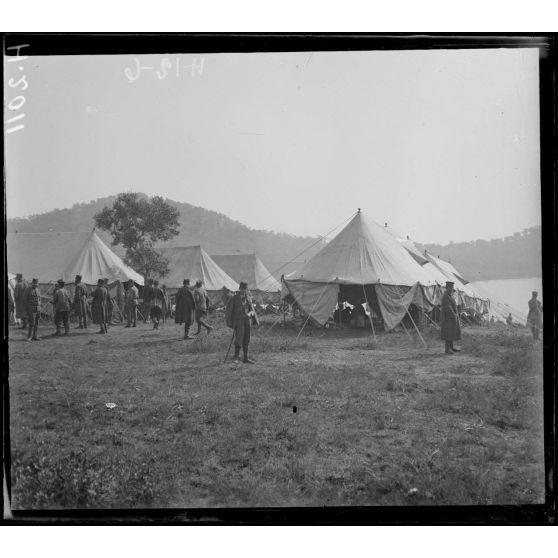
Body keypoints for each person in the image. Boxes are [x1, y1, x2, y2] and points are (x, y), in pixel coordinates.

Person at [229, 281, 256, 363]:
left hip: (247, 322)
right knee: (238, 339)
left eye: (245, 289)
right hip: (238, 322)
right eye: (242, 288)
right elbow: (229, 311)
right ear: (239, 288)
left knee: (247, 340)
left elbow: (252, 311)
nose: (243, 290)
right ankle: (236, 358)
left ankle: (246, 358)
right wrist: (231, 323)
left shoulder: (248, 298)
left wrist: (249, 314)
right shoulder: (234, 298)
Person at [440, 281, 461, 354]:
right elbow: (448, 308)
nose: (452, 289)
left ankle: (451, 347)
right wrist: (454, 315)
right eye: (451, 287)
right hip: (448, 318)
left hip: (451, 318)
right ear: (447, 288)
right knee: (448, 333)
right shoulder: (446, 297)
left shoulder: (449, 296)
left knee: (451, 332)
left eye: (452, 287)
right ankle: (447, 349)